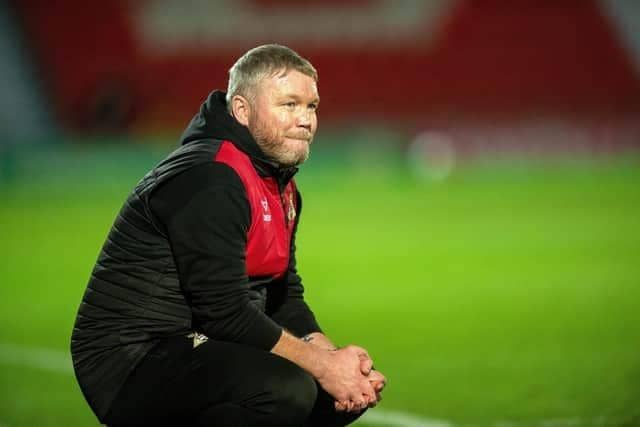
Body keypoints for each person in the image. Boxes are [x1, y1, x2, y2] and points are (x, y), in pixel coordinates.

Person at [71, 44, 386, 427]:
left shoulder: (278, 182)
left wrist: (336, 361)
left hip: (198, 342)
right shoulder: (210, 176)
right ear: (241, 110)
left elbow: (283, 292)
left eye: (311, 106)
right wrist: (323, 366)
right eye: (289, 105)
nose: (305, 120)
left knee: (339, 394)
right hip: (133, 357)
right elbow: (223, 310)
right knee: (286, 389)